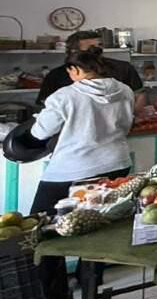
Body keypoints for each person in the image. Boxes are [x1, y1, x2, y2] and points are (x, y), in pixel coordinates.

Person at [28, 46, 136, 215]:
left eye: (70, 72)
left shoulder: (64, 96)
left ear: (76, 69)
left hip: (73, 169)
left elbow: (40, 132)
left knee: (42, 218)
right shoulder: (125, 90)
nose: (70, 76)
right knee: (103, 216)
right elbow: (126, 125)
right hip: (117, 163)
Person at [37, 30, 146, 113]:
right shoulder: (57, 75)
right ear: (74, 51)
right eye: (91, 48)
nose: (97, 50)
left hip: (119, 131)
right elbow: (45, 104)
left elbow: (139, 95)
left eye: (99, 46)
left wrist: (131, 116)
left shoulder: (123, 68)